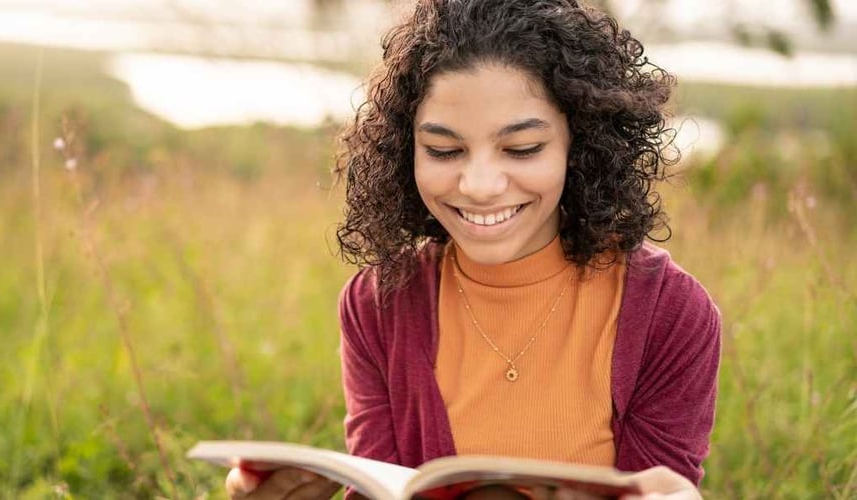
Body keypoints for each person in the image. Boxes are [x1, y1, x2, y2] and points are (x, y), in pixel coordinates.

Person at [226, 0, 721, 498]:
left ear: (581, 143)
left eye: (522, 149)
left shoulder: (669, 314)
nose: (480, 185)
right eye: (444, 151)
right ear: (406, 149)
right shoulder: (378, 305)